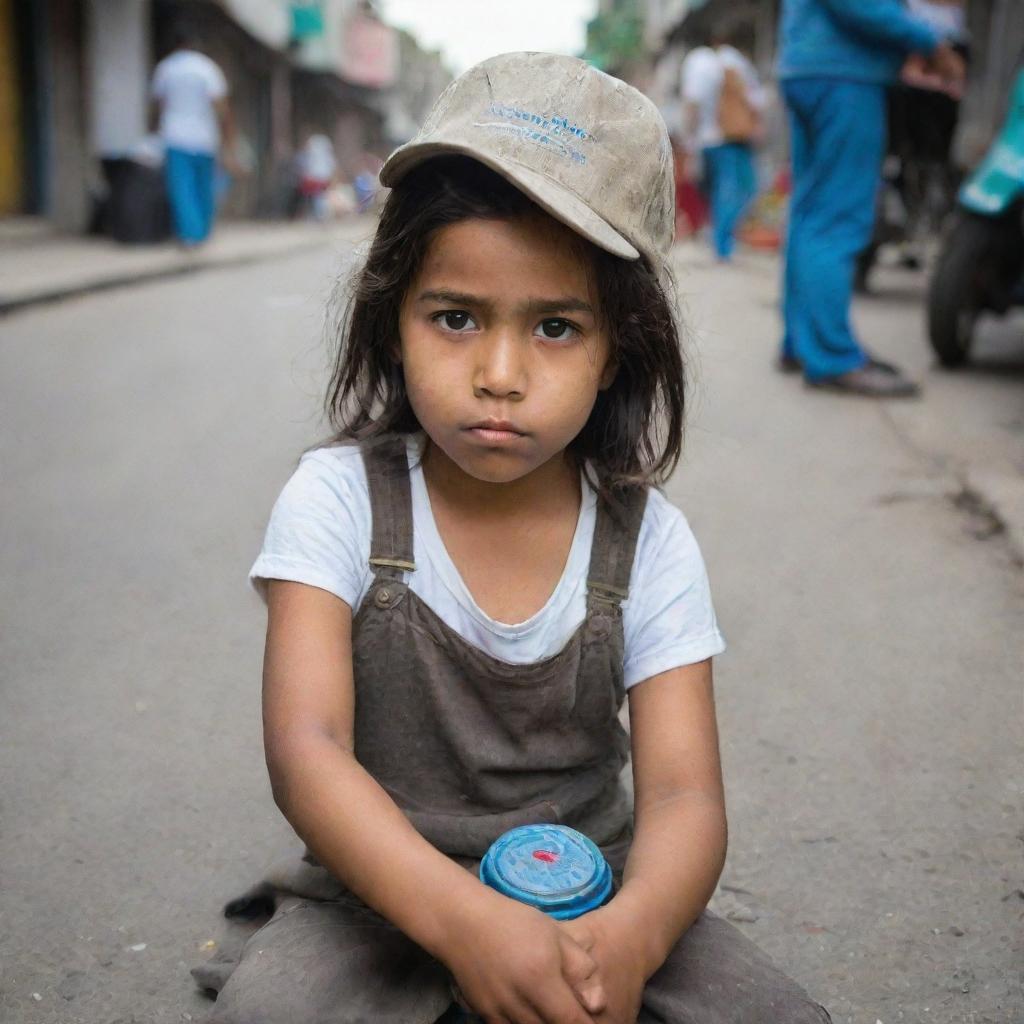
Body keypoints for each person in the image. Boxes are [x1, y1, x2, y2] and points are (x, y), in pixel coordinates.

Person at [193, 52, 831, 1024]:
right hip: (382, 887)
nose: (498, 373)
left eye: (555, 328)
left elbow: (682, 799)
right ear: (391, 322)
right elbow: (307, 747)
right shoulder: (338, 501)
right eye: (455, 317)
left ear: (620, 347)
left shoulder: (647, 540)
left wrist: (632, 938)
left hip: (596, 889)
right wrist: (460, 922)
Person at [777, 0, 965, 396]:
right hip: (844, 74)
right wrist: (930, 43)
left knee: (811, 212)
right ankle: (831, 356)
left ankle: (802, 342)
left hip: (809, 67)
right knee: (837, 218)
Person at [681, 23, 766, 261]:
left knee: (717, 191)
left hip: (706, 140)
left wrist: (690, 140)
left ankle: (718, 239)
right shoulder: (735, 60)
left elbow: (692, 103)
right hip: (730, 139)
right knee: (739, 190)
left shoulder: (697, 62)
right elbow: (755, 100)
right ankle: (722, 244)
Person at [150, 25, 239, 247]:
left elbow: (158, 104)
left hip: (176, 136)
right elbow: (221, 107)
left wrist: (154, 130)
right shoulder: (207, 68)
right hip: (204, 137)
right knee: (204, 187)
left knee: (182, 188)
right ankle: (202, 233)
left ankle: (190, 234)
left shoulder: (166, 68)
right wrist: (228, 139)